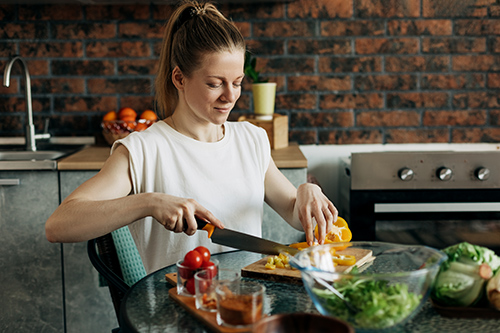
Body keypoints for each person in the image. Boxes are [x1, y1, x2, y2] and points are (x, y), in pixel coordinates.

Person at [45, 0, 338, 274]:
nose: (230, 96)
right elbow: (58, 225)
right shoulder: (144, 151)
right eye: (215, 84)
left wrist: (305, 192)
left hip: (246, 310)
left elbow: (294, 212)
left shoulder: (252, 140)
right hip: (176, 315)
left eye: (237, 83)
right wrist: (148, 203)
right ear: (179, 79)